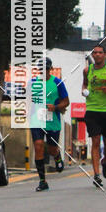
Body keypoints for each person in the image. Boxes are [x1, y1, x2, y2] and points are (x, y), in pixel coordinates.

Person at [29, 57, 69, 192]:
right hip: (36, 120)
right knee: (39, 145)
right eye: (40, 69)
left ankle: (57, 158)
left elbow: (66, 101)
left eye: (45, 69)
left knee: (52, 149)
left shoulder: (57, 83)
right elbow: (28, 100)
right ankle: (42, 181)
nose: (43, 72)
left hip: (53, 121)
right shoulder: (32, 83)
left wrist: (56, 107)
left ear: (50, 69)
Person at [82, 44, 106, 187]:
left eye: (100, 53)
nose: (97, 55)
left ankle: (105, 161)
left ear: (105, 55)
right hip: (92, 110)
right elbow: (84, 84)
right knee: (95, 141)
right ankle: (96, 175)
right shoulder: (87, 70)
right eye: (95, 53)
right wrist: (84, 90)